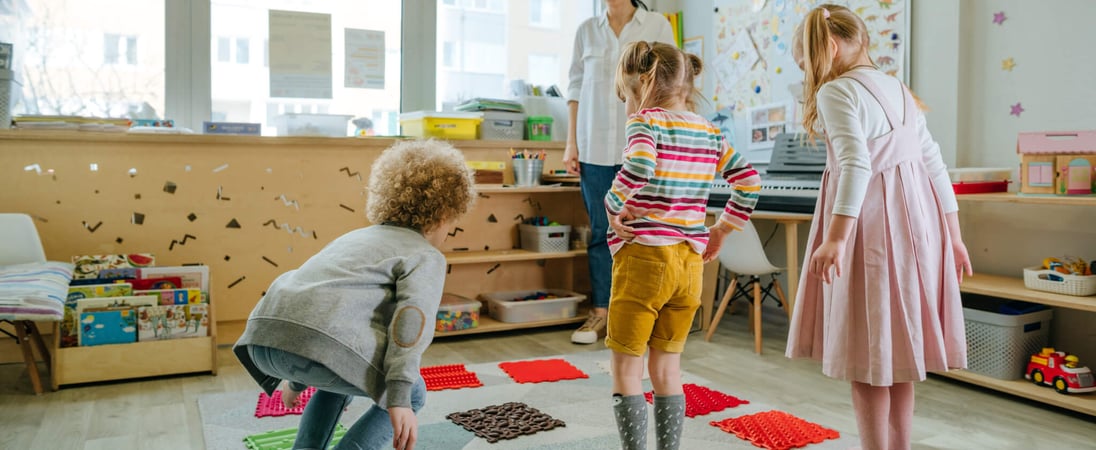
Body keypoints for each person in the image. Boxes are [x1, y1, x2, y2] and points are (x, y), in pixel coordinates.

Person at [783, 5, 973, 450]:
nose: (806, 74)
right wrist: (955, 235)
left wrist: (835, 238)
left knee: (867, 359)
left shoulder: (837, 92)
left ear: (828, 49)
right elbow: (935, 165)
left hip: (869, 231)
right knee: (898, 354)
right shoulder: (900, 90)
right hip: (916, 229)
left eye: (804, 64)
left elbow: (855, 165)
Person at [232, 140, 476, 450]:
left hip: (262, 340)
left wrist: (295, 381)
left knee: (342, 369)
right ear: (442, 215)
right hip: (309, 347)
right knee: (413, 392)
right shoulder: (424, 255)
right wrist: (399, 397)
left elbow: (314, 307)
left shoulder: (355, 239)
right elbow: (411, 324)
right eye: (451, 227)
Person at [605, 41, 761, 450]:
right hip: (689, 265)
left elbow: (638, 167)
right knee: (668, 369)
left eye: (625, 94)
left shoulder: (647, 123)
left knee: (625, 367)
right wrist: (722, 230)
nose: (626, 105)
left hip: (645, 259)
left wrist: (612, 204)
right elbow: (748, 180)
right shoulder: (710, 131)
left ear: (644, 84)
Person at [564, 0, 676, 345]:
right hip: (594, 147)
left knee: (647, 232)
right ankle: (600, 313)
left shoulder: (657, 25)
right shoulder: (586, 31)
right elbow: (575, 87)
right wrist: (571, 143)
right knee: (601, 232)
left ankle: (646, 316)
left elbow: (672, 84)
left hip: (644, 146)